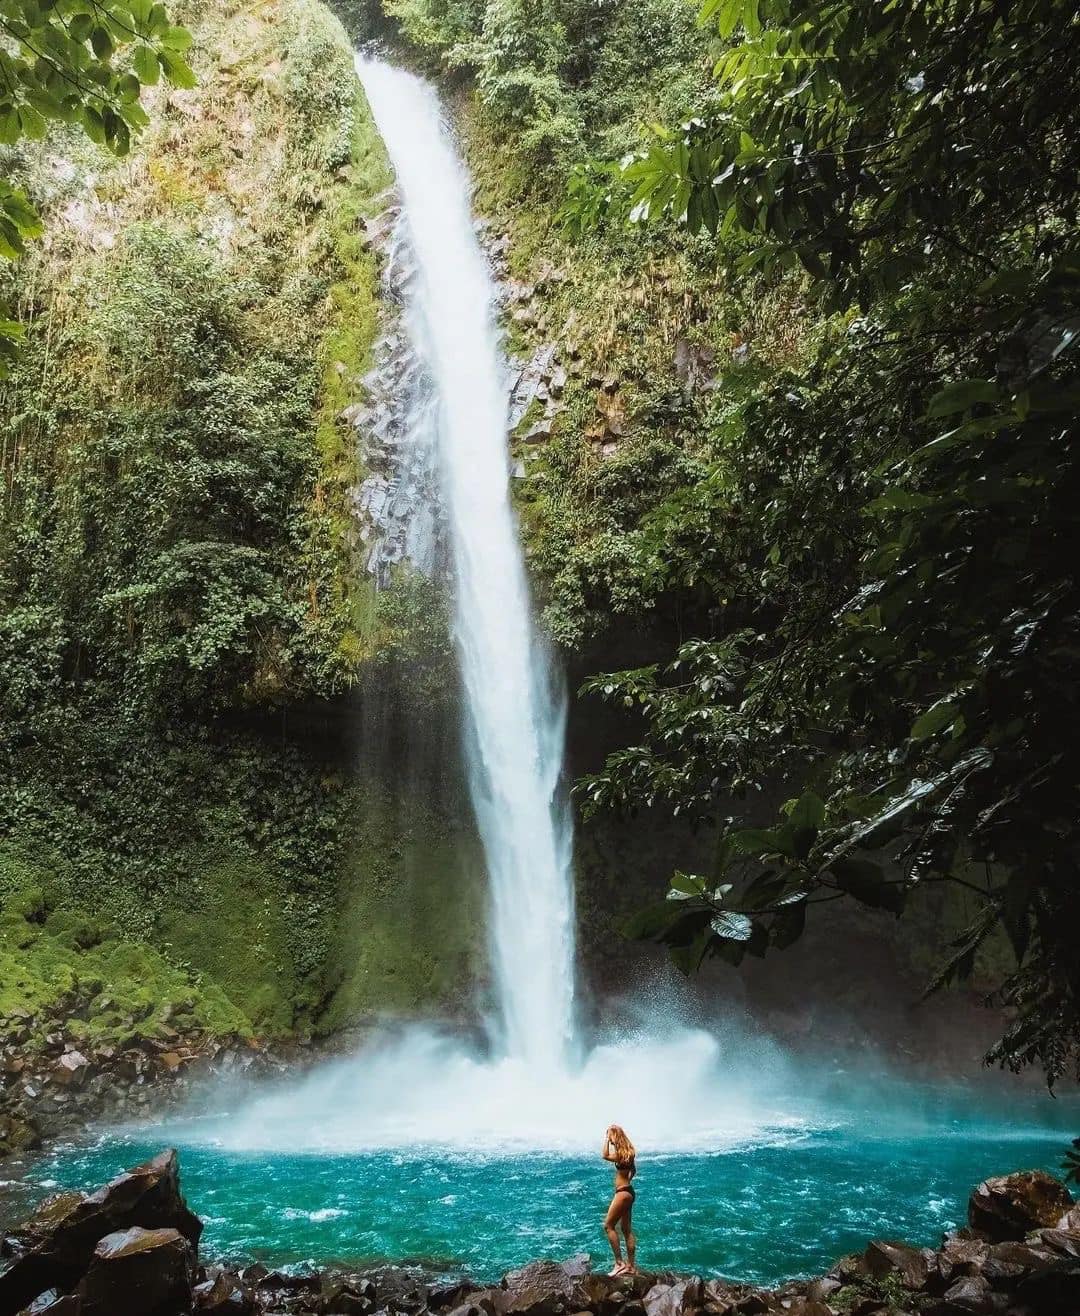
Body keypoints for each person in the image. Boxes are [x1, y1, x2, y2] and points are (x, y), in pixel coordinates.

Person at [601, 1123, 637, 1276]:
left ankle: (619, 1263)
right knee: (626, 1230)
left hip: (622, 1193)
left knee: (608, 1226)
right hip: (629, 1191)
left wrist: (607, 1140)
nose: (609, 1137)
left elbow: (604, 1155)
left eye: (610, 1134)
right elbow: (633, 1171)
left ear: (615, 1136)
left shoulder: (620, 1155)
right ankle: (631, 1266)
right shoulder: (629, 1153)